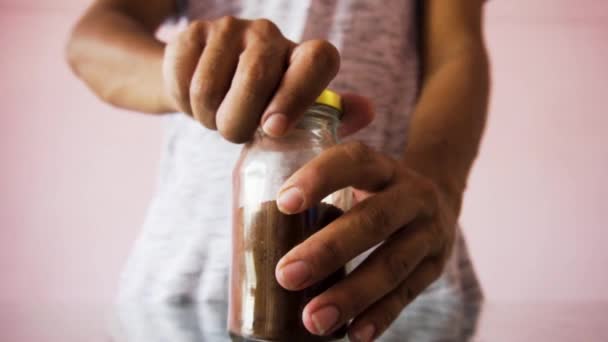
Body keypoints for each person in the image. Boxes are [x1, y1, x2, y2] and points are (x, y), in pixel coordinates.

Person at [67, 0, 489, 341]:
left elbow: (457, 50)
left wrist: (439, 193)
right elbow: (93, 35)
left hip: (387, 276)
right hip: (180, 285)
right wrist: (193, 75)